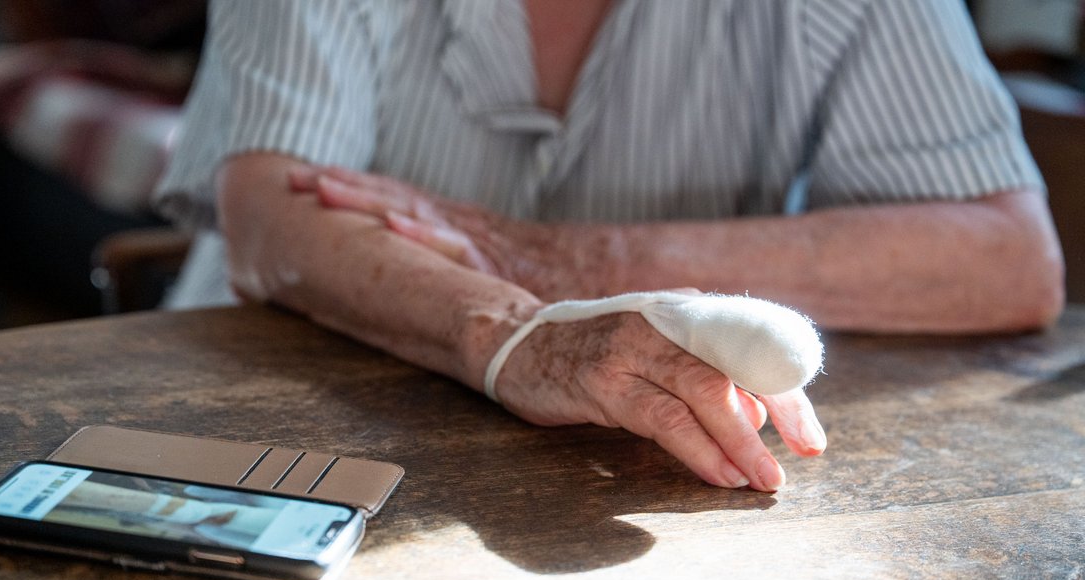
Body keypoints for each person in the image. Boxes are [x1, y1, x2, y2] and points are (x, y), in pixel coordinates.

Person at [154, 0, 1065, 493]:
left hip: (620, 459)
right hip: (266, 429)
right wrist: (523, 335)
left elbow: (1006, 257)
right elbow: (276, 221)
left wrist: (546, 259)